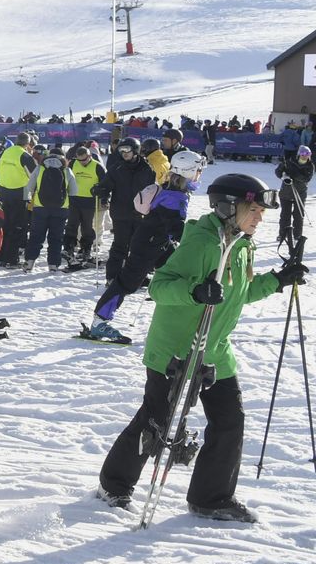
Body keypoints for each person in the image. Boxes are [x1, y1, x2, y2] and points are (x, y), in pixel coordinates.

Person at [96, 174, 304, 522]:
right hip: (176, 350)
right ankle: (113, 484)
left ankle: (211, 498)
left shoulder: (241, 244)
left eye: (261, 212)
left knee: (229, 420)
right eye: (253, 210)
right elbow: (160, 287)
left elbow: (240, 294)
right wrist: (194, 291)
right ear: (228, 208)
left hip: (215, 349)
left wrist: (278, 280)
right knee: (156, 420)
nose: (259, 218)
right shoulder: (203, 244)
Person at [85, 149, 205, 343]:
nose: (200, 174)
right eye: (198, 170)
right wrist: (197, 238)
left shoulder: (174, 189)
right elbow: (175, 227)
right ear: (188, 172)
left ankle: (181, 319)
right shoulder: (175, 197)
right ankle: (99, 322)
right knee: (127, 282)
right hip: (147, 244)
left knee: (178, 274)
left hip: (158, 242)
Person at [101, 137, 155, 286]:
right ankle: (112, 277)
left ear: (136, 151)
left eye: (127, 150)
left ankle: (138, 276)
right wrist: (102, 193)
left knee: (138, 247)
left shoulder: (147, 169)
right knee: (120, 246)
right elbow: (106, 185)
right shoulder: (116, 168)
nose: (124, 153)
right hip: (121, 213)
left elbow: (151, 189)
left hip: (140, 213)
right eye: (121, 150)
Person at [23, 148, 74, 272]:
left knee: (36, 235)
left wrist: (27, 200)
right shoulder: (67, 170)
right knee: (56, 237)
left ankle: (29, 262)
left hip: (40, 207)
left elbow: (29, 187)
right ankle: (53, 265)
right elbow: (74, 191)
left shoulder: (40, 168)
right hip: (61, 209)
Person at [0, 132, 36, 266]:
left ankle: (0, 254)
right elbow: (34, 176)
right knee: (18, 226)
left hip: (4, 191)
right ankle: (11, 258)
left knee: (5, 224)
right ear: (28, 144)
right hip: (20, 193)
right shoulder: (25, 156)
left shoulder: (6, 152)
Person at [62, 145, 106, 265]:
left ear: (90, 156)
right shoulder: (72, 164)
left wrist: (104, 198)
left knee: (87, 227)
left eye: (84, 160)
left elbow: (104, 184)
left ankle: (86, 249)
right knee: (71, 225)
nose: (82, 162)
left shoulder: (97, 166)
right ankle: (68, 248)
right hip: (74, 199)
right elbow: (65, 178)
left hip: (89, 201)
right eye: (79, 160)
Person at [275, 145, 312, 246]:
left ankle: (297, 235)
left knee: (298, 215)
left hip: (300, 193)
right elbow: (278, 173)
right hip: (286, 193)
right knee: (285, 215)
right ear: (299, 154)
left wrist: (294, 175)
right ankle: (283, 234)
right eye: (303, 153)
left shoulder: (310, 166)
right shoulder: (289, 162)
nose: (305, 156)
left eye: (307, 154)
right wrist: (282, 172)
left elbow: (306, 179)